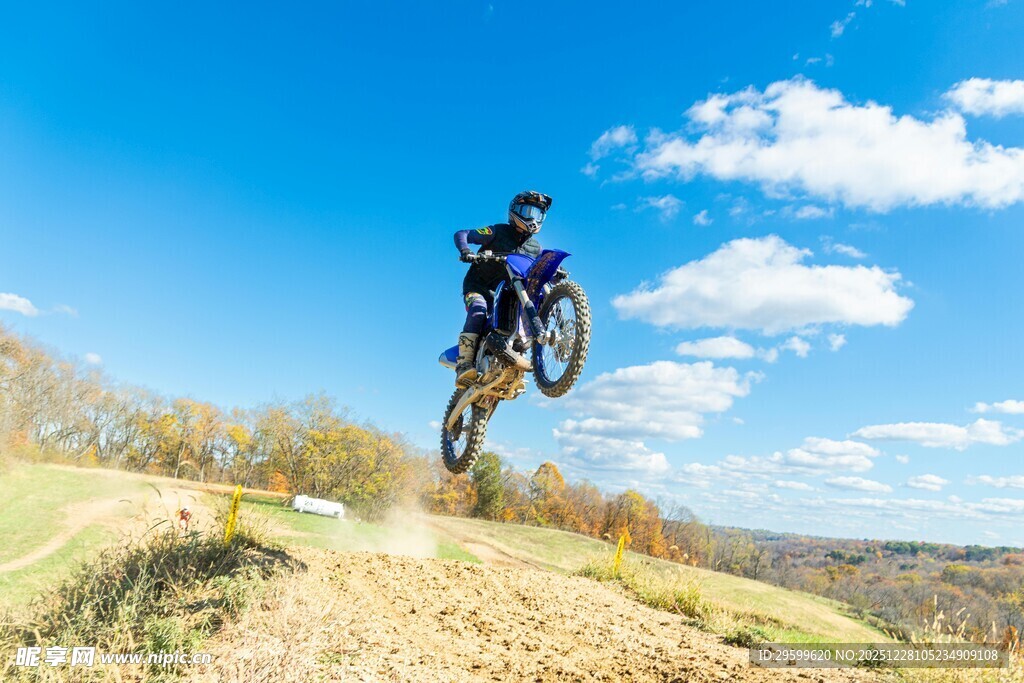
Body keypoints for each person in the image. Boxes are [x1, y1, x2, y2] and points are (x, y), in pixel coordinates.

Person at [451, 191, 552, 387]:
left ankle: (512, 365)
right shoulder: (497, 231)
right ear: (514, 211)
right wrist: (466, 251)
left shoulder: (535, 248)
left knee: (523, 316)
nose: (532, 218)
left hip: (507, 295)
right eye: (527, 211)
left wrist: (556, 273)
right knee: (478, 310)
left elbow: (542, 269)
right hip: (479, 287)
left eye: (537, 214)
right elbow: (463, 234)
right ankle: (463, 365)